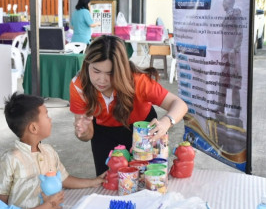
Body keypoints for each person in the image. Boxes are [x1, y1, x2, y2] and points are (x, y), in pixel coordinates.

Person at [0, 93, 106, 209]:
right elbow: (1, 200)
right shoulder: (11, 159)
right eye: (46, 115)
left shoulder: (49, 151)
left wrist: (93, 182)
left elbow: (64, 178)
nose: (50, 119)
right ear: (33, 127)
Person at [70, 35, 188, 176]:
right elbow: (87, 135)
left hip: (142, 130)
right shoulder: (79, 86)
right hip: (103, 133)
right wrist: (82, 131)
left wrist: (165, 122)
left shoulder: (138, 81)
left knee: (145, 179)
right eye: (96, 71)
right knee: (108, 180)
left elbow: (179, 104)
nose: (101, 80)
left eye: (110, 73)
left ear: (121, 69)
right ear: (87, 64)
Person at [217, 0, 243, 120]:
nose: (223, 3)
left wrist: (234, 49)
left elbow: (240, 32)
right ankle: (220, 107)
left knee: (234, 82)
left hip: (233, 54)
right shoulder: (227, 16)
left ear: (230, 2)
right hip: (226, 55)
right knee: (222, 80)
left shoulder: (236, 14)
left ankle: (235, 110)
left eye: (224, 1)